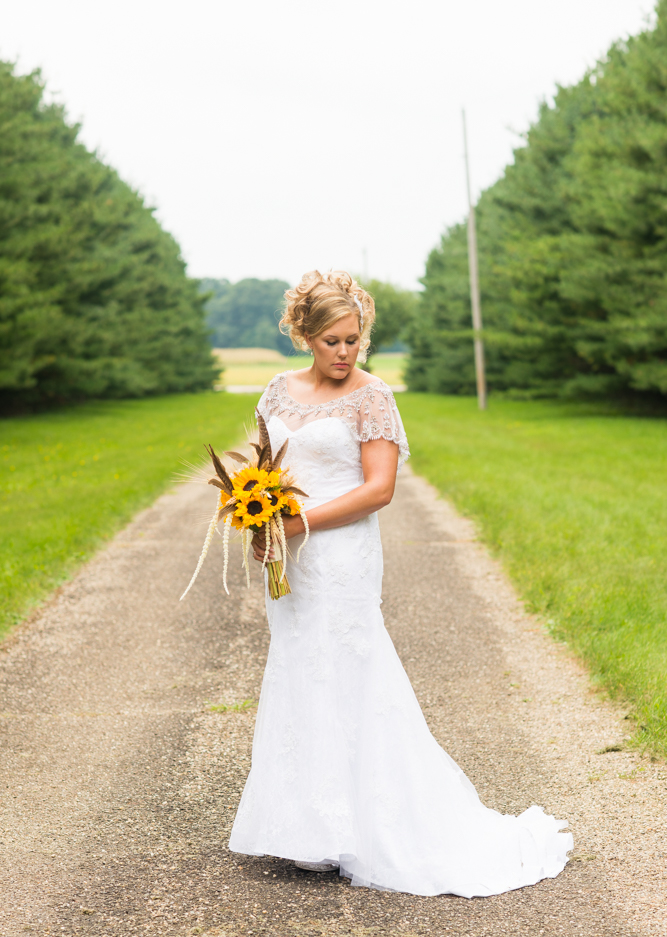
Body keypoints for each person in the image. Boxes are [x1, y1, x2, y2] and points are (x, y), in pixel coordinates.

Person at [228, 270, 572, 897]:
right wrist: (260, 519)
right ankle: (309, 827)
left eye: (353, 340)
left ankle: (367, 825)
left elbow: (377, 489)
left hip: (342, 553)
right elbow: (263, 470)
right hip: (292, 557)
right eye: (332, 341)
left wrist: (298, 521)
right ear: (305, 335)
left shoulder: (372, 397)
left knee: (347, 668)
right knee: (300, 665)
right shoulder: (277, 392)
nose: (344, 352)